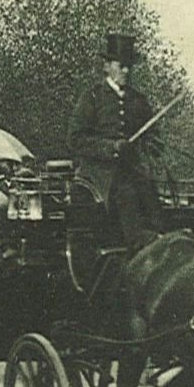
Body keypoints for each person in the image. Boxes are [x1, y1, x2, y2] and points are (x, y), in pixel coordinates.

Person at [70, 32, 161, 249]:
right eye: (121, 65)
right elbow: (76, 139)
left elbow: (155, 139)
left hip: (132, 170)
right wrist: (111, 147)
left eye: (129, 66)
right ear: (107, 66)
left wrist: (146, 148)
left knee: (153, 198)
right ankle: (137, 244)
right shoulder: (92, 97)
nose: (126, 71)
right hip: (98, 175)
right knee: (126, 193)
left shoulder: (139, 101)